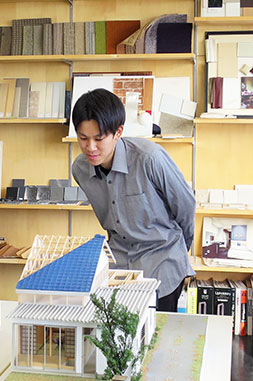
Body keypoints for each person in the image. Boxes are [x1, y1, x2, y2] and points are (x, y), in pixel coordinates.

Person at [71, 88, 195, 311]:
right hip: (118, 267)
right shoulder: (80, 169)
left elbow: (185, 205)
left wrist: (179, 250)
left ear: (118, 132)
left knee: (156, 340)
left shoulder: (149, 158)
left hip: (161, 264)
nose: (91, 148)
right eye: (83, 138)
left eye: (99, 138)